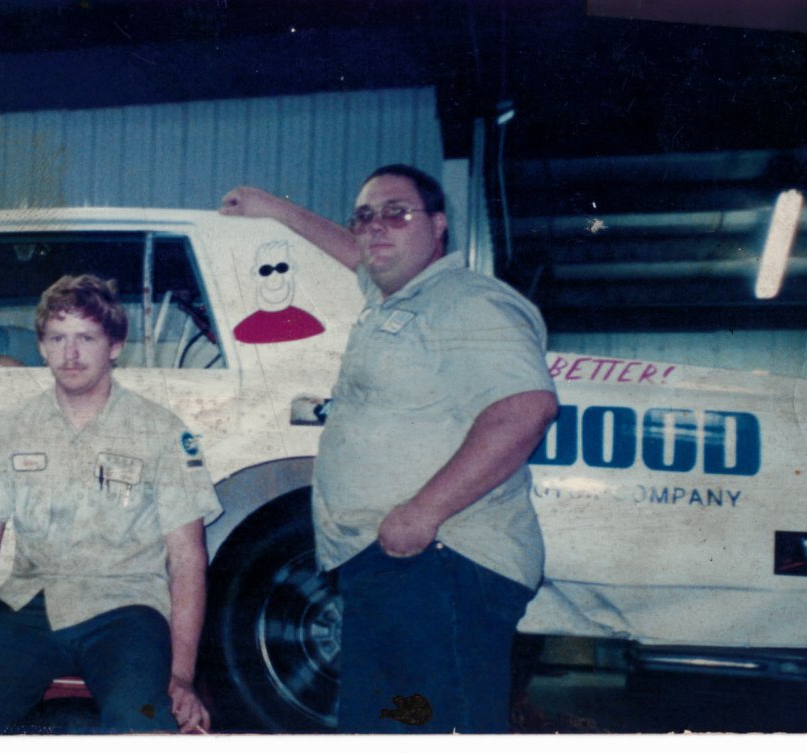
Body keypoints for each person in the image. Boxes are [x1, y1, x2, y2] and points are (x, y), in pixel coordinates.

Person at [220, 165, 559, 733]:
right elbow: (354, 253)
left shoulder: (465, 302)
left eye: (397, 213)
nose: (376, 227)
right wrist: (276, 209)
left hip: (442, 562)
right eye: (365, 217)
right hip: (395, 565)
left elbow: (525, 410)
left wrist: (422, 513)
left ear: (439, 225)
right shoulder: (396, 300)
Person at [0, 275, 218, 735]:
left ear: (115, 346)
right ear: (42, 347)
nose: (71, 354)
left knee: (141, 722)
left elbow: (187, 559)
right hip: (30, 604)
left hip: (127, 610)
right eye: (58, 339)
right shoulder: (12, 428)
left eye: (86, 338)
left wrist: (181, 674)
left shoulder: (160, 431)